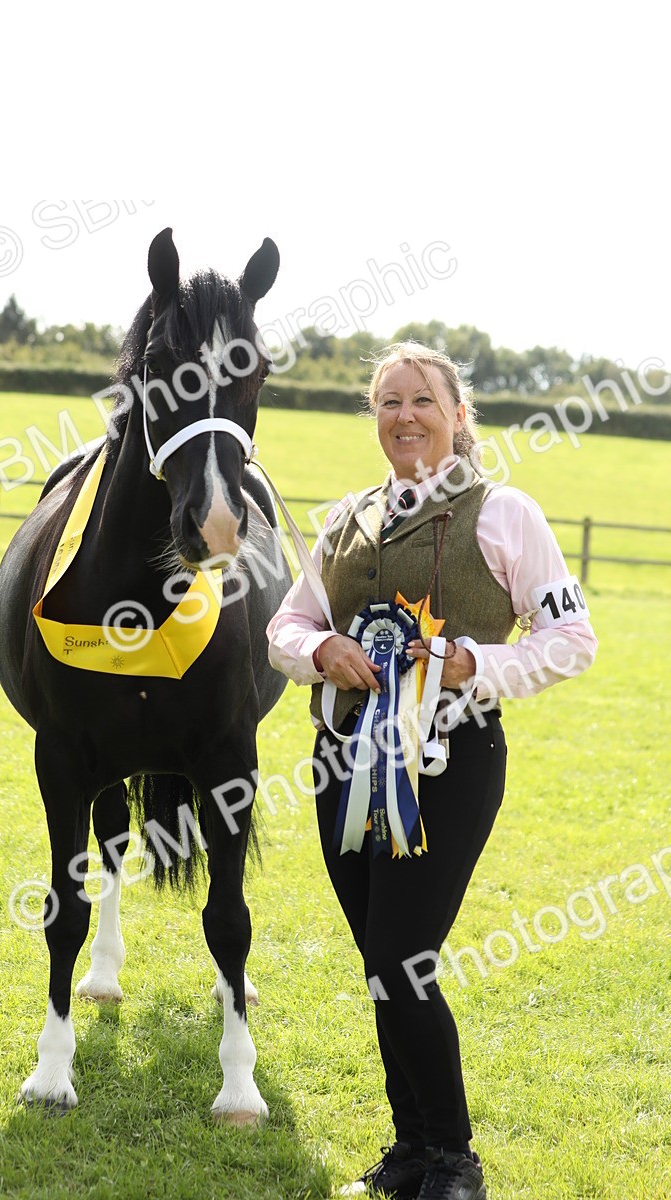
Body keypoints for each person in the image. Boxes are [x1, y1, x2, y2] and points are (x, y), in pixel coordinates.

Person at [266, 342, 597, 1200]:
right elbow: (283, 629)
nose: (404, 416)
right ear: (373, 417)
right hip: (341, 764)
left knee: (402, 957)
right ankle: (410, 1152)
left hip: (448, 763)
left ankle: (453, 1159)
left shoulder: (506, 512)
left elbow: (571, 640)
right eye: (387, 402)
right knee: (381, 965)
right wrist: (323, 646)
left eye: (422, 400)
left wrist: (473, 664)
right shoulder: (344, 517)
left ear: (458, 414)